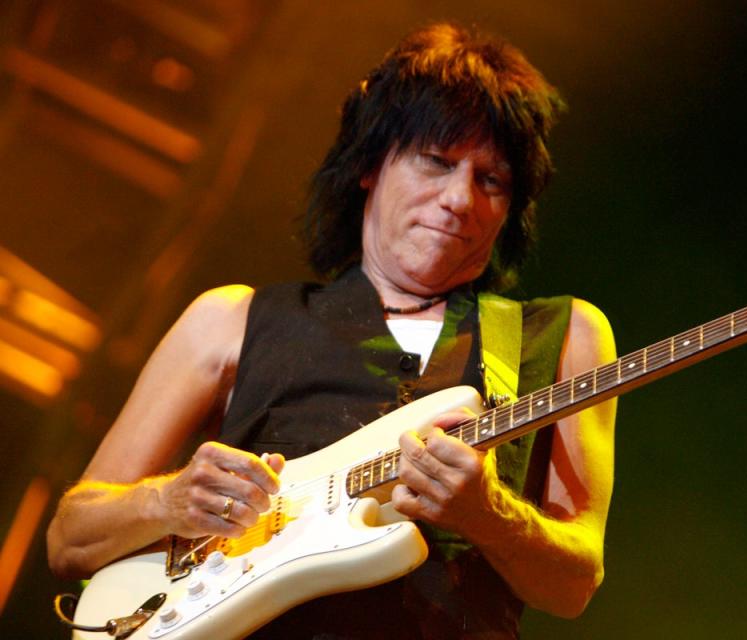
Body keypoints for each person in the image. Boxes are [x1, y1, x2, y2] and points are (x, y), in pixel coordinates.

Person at [47, 23, 617, 639]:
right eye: (436, 161)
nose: (460, 199)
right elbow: (69, 538)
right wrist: (169, 500)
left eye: (491, 180)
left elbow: (573, 584)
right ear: (371, 164)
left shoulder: (563, 336)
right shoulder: (229, 320)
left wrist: (490, 513)